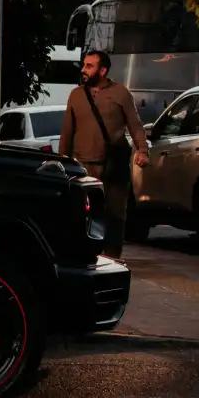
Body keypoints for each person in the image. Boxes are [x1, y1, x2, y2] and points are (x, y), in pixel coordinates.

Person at [59, 50, 150, 259]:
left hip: (113, 165)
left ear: (103, 70)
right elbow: (67, 132)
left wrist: (142, 150)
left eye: (89, 66)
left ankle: (112, 257)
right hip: (83, 166)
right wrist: (62, 162)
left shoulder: (120, 93)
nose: (83, 69)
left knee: (115, 215)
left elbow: (135, 125)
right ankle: (84, 256)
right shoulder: (76, 95)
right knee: (83, 215)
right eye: (84, 65)